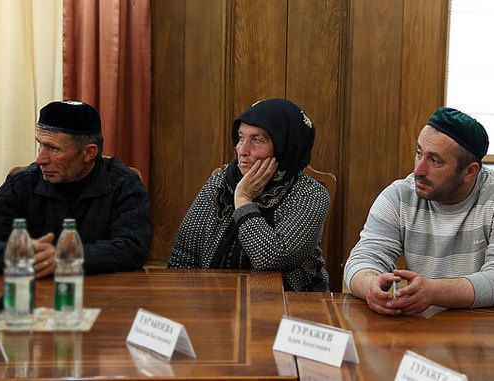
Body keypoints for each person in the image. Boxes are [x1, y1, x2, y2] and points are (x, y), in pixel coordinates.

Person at [168, 99, 330, 291]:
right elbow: (182, 258)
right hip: (215, 301)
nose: (241, 150)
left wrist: (244, 200)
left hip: (290, 306)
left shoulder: (311, 194)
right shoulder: (220, 183)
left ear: (284, 146)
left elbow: (273, 259)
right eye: (240, 137)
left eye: (256, 140)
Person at [344, 107, 494, 315]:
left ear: (470, 171)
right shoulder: (399, 194)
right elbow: (363, 258)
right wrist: (371, 285)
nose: (418, 170)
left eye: (434, 160)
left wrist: (435, 292)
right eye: (419, 153)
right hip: (419, 330)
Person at [0, 100, 152, 278]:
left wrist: (68, 258)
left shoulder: (124, 183)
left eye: (53, 148)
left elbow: (133, 248)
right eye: (40, 144)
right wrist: (19, 252)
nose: (40, 159)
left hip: (103, 293)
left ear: (89, 153)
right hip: (32, 291)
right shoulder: (22, 182)